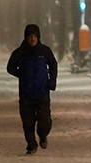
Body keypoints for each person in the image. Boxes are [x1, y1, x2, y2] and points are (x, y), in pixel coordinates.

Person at [6, 24, 58, 155]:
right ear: (26, 37)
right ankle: (31, 145)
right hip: (26, 94)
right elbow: (10, 67)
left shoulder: (45, 51)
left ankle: (42, 135)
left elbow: (53, 65)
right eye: (30, 36)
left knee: (44, 120)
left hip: (42, 92)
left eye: (34, 36)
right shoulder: (20, 53)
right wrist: (22, 75)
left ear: (38, 37)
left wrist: (52, 82)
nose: (32, 39)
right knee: (27, 122)